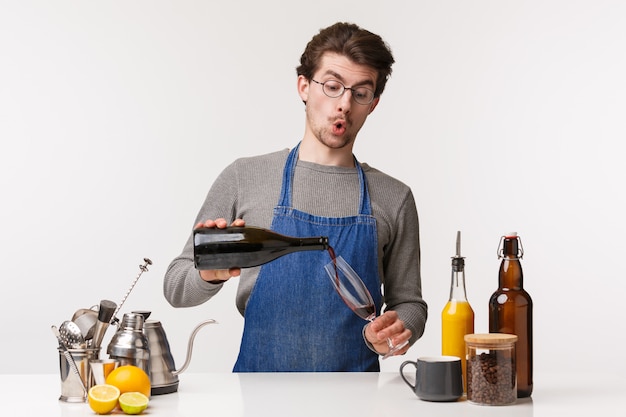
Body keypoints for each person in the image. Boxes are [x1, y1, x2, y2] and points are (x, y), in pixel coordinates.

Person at [164, 22, 428, 372]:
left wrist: (399, 327)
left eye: (360, 93)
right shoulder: (246, 177)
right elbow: (175, 285)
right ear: (304, 86)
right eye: (332, 86)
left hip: (357, 398)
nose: (344, 105)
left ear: (373, 103)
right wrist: (207, 274)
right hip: (260, 392)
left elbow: (410, 303)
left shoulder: (394, 197)